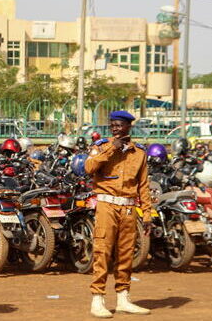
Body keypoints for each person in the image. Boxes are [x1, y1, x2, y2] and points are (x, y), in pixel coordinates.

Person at [85, 110, 152, 318]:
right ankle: (98, 300)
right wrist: (110, 150)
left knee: (126, 254)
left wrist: (148, 214)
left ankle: (123, 298)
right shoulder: (101, 147)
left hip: (129, 207)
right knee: (102, 251)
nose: (115, 128)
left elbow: (144, 185)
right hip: (107, 205)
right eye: (112, 125)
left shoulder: (139, 152)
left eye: (119, 125)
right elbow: (89, 168)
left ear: (128, 127)